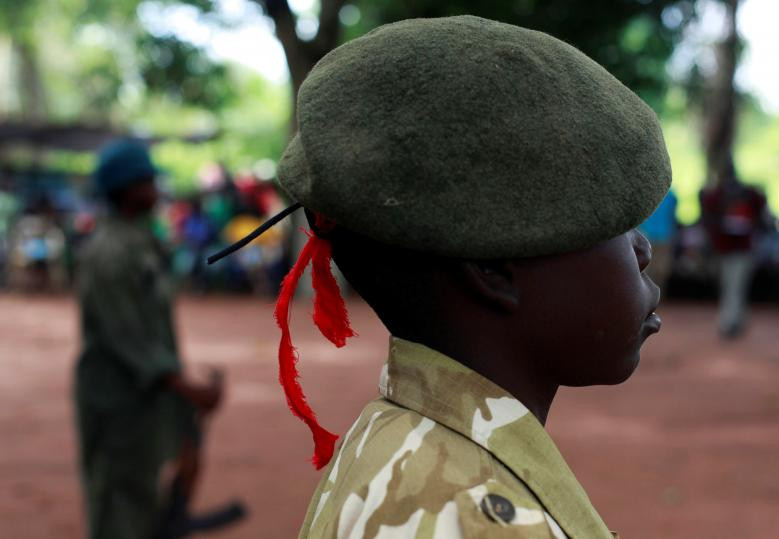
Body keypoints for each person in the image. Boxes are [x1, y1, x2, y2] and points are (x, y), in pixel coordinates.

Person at [210, 16, 670, 538]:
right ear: (494, 268)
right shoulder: (478, 519)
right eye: (615, 222)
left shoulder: (392, 436)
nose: (643, 249)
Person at [74, 140, 244, 539]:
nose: (155, 187)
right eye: (147, 179)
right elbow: (126, 335)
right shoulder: (111, 252)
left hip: (143, 396)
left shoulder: (139, 241)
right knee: (118, 500)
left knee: (146, 493)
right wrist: (186, 387)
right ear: (127, 188)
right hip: (115, 398)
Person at [700, 159, 771, 338]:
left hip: (740, 248)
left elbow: (763, 216)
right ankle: (735, 320)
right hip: (730, 248)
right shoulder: (722, 194)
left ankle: (730, 322)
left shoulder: (747, 193)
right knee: (734, 285)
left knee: (734, 285)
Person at [639, 191, 678, 292]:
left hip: (648, 235)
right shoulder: (672, 196)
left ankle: (646, 294)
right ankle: (658, 294)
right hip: (664, 235)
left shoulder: (647, 193)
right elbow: (673, 216)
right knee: (660, 267)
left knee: (647, 266)